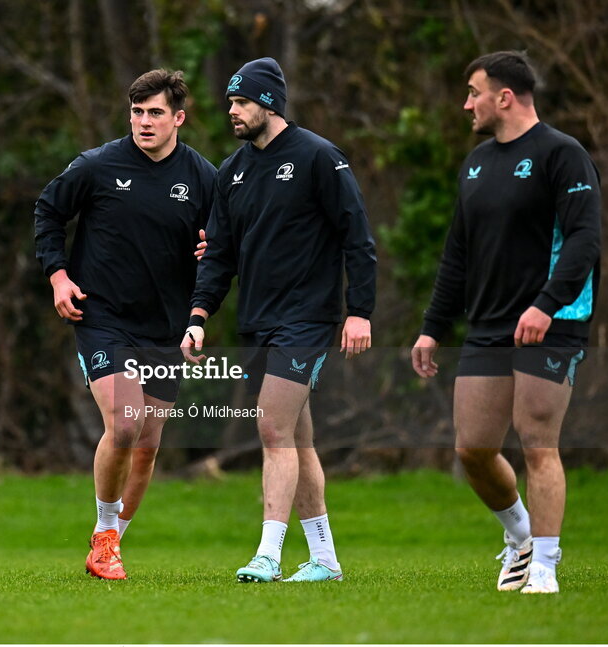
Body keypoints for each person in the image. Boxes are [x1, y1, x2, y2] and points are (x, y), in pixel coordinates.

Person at [411, 51, 601, 594]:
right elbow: (457, 256)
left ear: (505, 96)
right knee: (472, 447)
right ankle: (521, 537)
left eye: (473, 92)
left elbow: (585, 239)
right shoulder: (474, 163)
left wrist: (546, 303)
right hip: (489, 327)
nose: (466, 103)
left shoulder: (562, 155)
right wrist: (433, 327)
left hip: (555, 319)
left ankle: (544, 566)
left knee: (538, 441)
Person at [182, 57, 377, 583]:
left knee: (270, 425)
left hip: (308, 319)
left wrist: (358, 311)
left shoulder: (318, 157)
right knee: (296, 438)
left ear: (268, 103)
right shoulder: (233, 172)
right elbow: (218, 252)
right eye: (230, 102)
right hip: (258, 321)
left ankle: (268, 552)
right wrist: (200, 314)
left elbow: (357, 237)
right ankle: (325, 561)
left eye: (241, 102)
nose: (232, 112)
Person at [35, 70, 216, 580]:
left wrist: (213, 250)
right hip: (102, 316)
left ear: (178, 118)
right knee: (126, 423)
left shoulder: (204, 177)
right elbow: (48, 212)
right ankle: (104, 532)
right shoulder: (97, 165)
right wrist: (58, 278)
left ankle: (110, 541)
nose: (143, 122)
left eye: (155, 112)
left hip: (164, 325)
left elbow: (225, 244)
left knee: (148, 443)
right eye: (136, 112)